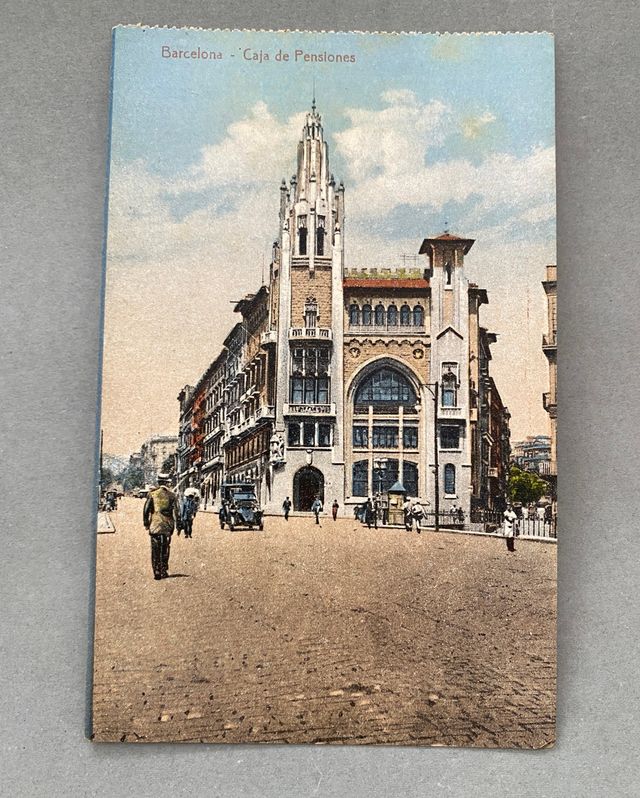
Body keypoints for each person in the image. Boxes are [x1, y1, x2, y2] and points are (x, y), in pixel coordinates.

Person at [143, 476, 181, 580]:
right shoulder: (172, 495)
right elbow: (177, 512)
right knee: (165, 548)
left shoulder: (152, 494)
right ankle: (164, 570)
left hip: (155, 525)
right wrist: (179, 525)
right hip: (167, 526)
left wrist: (146, 523)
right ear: (167, 483)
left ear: (159, 482)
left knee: (155, 549)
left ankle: (156, 571)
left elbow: (146, 509)